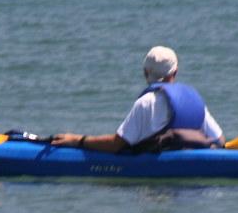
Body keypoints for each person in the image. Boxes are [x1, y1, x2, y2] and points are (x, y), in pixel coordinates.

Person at [52, 46, 224, 153]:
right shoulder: (193, 96)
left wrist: (78, 140)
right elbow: (220, 140)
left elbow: (115, 145)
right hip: (195, 176)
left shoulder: (147, 102)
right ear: (175, 72)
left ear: (145, 73)